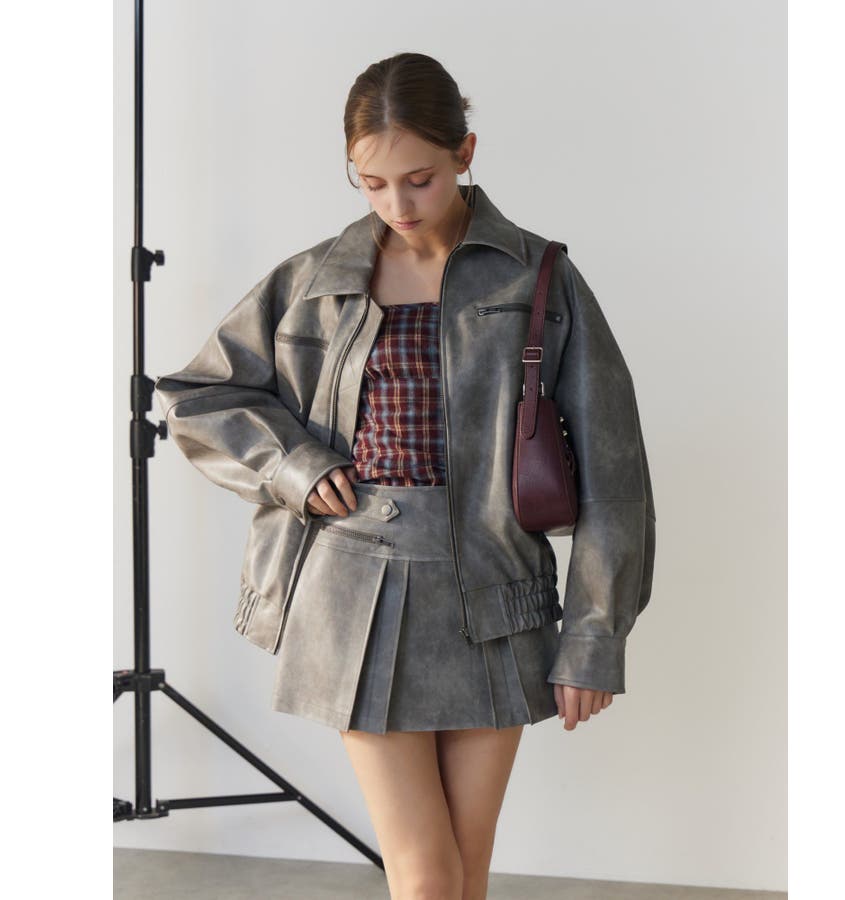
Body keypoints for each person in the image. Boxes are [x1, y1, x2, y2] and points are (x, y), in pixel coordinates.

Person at [155, 51, 655, 900]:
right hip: (351, 589)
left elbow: (616, 471)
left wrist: (594, 638)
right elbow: (199, 394)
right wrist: (295, 466)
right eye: (372, 183)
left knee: (463, 875)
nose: (398, 204)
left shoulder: (541, 277)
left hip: (495, 592)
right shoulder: (314, 280)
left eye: (419, 179)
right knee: (424, 878)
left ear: (465, 153)